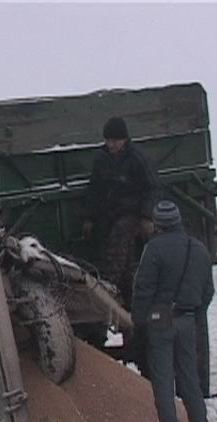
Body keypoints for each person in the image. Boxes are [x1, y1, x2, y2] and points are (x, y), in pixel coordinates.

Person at [131, 200, 214, 422]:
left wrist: (139, 322)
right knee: (190, 381)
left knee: (164, 383)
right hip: (188, 318)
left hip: (160, 318)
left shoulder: (153, 249)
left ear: (158, 225)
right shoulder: (199, 250)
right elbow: (208, 291)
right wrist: (195, 313)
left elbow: (142, 289)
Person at [82, 116, 162, 309]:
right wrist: (89, 218)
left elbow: (153, 188)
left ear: (124, 139)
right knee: (125, 264)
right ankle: (129, 301)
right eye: (108, 140)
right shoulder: (102, 159)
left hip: (132, 213)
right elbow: (94, 190)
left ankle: (107, 288)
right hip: (109, 214)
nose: (111, 144)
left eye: (115, 140)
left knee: (118, 241)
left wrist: (146, 216)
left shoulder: (137, 158)